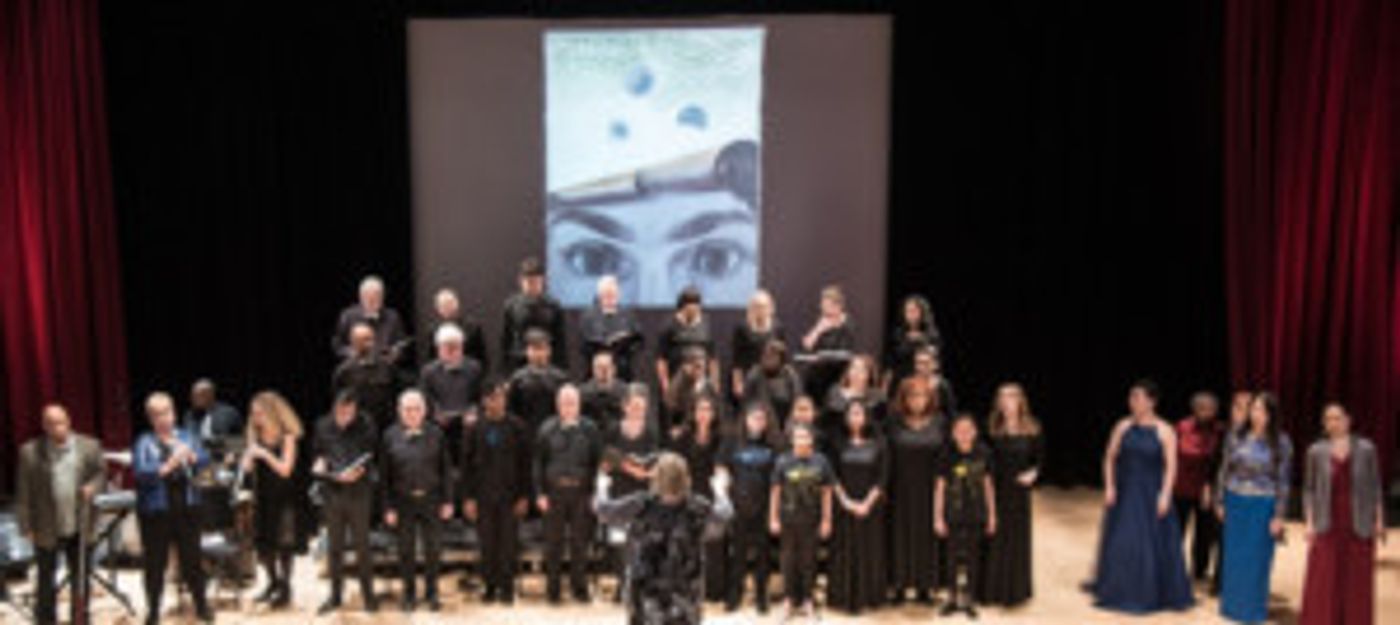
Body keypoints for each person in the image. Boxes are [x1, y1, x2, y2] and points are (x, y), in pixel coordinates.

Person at [594, 452, 735, 625]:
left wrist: (602, 487)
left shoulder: (642, 504)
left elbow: (603, 510)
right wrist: (720, 491)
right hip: (684, 594)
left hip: (646, 593)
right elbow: (725, 515)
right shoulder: (696, 507)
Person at [1091, 379, 1193, 614]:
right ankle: (1121, 589)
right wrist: (1110, 486)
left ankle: (1147, 591)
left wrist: (1165, 494)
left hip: (1151, 493)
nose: (1133, 402)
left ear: (1151, 401)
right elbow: (1109, 457)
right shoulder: (1122, 426)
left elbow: (1171, 466)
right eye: (1131, 397)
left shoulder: (1165, 430)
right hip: (1125, 491)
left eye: (1138, 397)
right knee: (1123, 542)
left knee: (1149, 544)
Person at [16, 404, 105, 625]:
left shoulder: (89, 446)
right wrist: (26, 526)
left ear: (69, 421)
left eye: (61, 422)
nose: (58, 428)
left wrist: (93, 487)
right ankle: (46, 620)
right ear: (44, 426)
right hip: (46, 524)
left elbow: (101, 473)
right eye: (52, 424)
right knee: (46, 578)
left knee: (80, 577)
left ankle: (80, 618)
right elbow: (24, 492)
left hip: (80, 522)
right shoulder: (30, 452)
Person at [1298, 402, 1386, 625]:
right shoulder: (1316, 451)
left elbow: (1375, 487)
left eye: (1337, 418)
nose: (1333, 423)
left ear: (1348, 420)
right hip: (1327, 523)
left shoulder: (1366, 449)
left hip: (1358, 524)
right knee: (1324, 578)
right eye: (1328, 419)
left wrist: (1379, 520)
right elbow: (1309, 490)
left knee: (1356, 581)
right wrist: (1309, 523)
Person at [132, 392, 213, 625]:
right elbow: (141, 472)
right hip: (156, 511)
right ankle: (153, 611)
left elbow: (204, 459)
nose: (163, 418)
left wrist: (192, 457)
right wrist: (169, 464)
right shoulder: (144, 441)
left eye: (166, 412)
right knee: (155, 563)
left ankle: (201, 605)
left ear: (174, 413)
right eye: (157, 415)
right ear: (150, 418)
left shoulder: (186, 436)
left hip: (187, 506)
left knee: (193, 560)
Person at [1215, 391, 1292, 623]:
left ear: (1271, 414)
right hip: (1235, 502)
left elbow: (1283, 481)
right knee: (1234, 557)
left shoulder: (1281, 442)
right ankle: (1232, 606)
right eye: (1254, 408)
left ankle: (1252, 609)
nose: (1256, 414)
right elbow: (1224, 470)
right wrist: (1220, 500)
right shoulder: (1236, 436)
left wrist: (1279, 515)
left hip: (1262, 505)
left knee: (1257, 558)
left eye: (1261, 410)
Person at [460, 377, 533, 604]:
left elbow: (525, 465)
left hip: (510, 495)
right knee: (487, 544)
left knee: (508, 544)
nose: (498, 402)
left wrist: (524, 496)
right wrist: (468, 498)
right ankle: (490, 587)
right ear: (485, 401)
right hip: (483, 496)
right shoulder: (474, 429)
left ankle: (507, 588)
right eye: (493, 398)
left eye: (501, 397)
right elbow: (466, 467)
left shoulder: (518, 427)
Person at [380, 389, 453, 612]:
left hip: (432, 499)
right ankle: (409, 594)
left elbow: (446, 470)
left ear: (424, 411)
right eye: (407, 409)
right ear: (399, 411)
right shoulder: (389, 435)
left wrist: (448, 501)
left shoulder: (437, 434)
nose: (412, 413)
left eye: (416, 409)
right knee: (406, 551)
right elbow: (384, 476)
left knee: (433, 550)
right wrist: (388, 507)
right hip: (403, 501)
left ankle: (432, 593)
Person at [534, 384, 604, 603]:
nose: (568, 407)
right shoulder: (546, 429)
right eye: (564, 403)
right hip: (554, 493)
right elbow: (538, 464)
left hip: (581, 493)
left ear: (579, 404)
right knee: (553, 544)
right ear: (557, 405)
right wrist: (540, 493)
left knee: (579, 543)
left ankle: (579, 588)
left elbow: (598, 463)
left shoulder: (590, 429)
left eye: (572, 402)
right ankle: (553, 590)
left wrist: (596, 493)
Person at [312, 390, 378, 614]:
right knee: (335, 547)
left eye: (348, 413)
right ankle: (335, 596)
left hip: (359, 492)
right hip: (332, 491)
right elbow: (318, 453)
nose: (343, 417)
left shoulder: (366, 425)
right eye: (340, 412)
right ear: (334, 408)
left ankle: (369, 596)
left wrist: (356, 472)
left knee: (362, 546)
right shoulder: (323, 425)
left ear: (355, 411)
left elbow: (370, 456)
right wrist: (320, 465)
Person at [240, 390, 305, 609]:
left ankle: (286, 588)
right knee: (265, 545)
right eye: (253, 414)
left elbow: (286, 470)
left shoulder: (287, 436)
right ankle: (272, 582)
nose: (256, 418)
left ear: (272, 414)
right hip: (263, 497)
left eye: (260, 414)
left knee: (284, 543)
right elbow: (247, 469)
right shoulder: (255, 436)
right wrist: (247, 459)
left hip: (284, 496)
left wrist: (265, 454)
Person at [885, 375, 947, 605]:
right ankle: (899, 585)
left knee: (926, 536)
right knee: (899, 536)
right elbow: (885, 454)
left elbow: (945, 455)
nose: (917, 400)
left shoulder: (939, 421)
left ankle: (925, 586)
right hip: (900, 489)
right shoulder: (893, 421)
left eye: (922, 396)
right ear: (904, 398)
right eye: (912, 396)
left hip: (930, 488)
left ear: (930, 398)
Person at [983, 382, 1044, 607]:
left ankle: (1016, 590)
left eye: (1011, 398)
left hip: (1019, 492)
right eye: (1002, 399)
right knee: (995, 536)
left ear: (1020, 401)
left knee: (1017, 539)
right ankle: (993, 589)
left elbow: (1038, 460)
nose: (1007, 403)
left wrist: (1033, 474)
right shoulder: (992, 428)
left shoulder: (1032, 428)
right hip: (997, 489)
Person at [717, 402, 781, 613]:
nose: (757, 422)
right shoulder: (732, 442)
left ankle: (762, 596)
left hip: (763, 506)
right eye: (754, 418)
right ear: (745, 419)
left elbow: (777, 480)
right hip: (738, 506)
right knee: (738, 553)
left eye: (762, 419)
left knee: (763, 554)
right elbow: (721, 467)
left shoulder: (772, 445)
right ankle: (735, 595)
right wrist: (724, 495)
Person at [828, 401, 889, 614]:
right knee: (844, 550)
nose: (855, 417)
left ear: (866, 417)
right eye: (852, 413)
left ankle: (869, 597)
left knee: (869, 550)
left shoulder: (879, 444)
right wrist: (845, 501)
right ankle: (842, 597)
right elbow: (832, 476)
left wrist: (867, 503)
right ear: (846, 417)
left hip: (870, 507)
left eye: (859, 413)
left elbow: (882, 477)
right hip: (843, 506)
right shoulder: (837, 443)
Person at [769, 423, 833, 621]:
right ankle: (788, 601)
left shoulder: (821, 461)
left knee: (809, 561)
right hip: (788, 520)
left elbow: (827, 492)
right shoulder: (783, 461)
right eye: (798, 437)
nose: (802, 440)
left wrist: (827, 520)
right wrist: (773, 518)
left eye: (805, 436)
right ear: (792, 440)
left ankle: (808, 601)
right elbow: (775, 491)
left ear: (811, 439)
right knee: (788, 561)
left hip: (812, 520)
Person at [935, 413, 996, 617]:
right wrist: (938, 517)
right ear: (953, 434)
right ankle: (952, 597)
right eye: (959, 430)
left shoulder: (983, 453)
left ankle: (969, 598)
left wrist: (992, 515)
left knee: (972, 557)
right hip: (952, 514)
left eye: (968, 430)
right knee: (951, 558)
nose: (964, 434)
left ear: (975, 432)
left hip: (976, 514)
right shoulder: (947, 455)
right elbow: (939, 487)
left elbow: (988, 485)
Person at [601, 385, 659, 601]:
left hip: (642, 494)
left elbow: (655, 460)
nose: (638, 411)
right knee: (619, 541)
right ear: (625, 407)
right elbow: (607, 458)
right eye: (634, 406)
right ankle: (623, 584)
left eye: (641, 407)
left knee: (640, 542)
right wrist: (630, 468)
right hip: (619, 493)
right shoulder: (613, 430)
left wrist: (645, 471)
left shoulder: (651, 432)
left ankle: (637, 586)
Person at [667, 392, 726, 601]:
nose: (704, 414)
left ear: (714, 413)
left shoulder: (721, 438)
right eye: (700, 409)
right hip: (689, 493)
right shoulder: (682, 437)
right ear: (693, 412)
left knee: (714, 543)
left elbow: (724, 466)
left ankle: (714, 591)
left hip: (712, 493)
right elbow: (676, 467)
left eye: (708, 409)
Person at [1174, 391, 1223, 582]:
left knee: (1204, 533)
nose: (1207, 412)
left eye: (1211, 409)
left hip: (1206, 490)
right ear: (1194, 409)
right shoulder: (1182, 427)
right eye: (1203, 408)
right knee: (1176, 530)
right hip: (1181, 487)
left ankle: (1199, 571)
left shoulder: (1220, 431)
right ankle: (1172, 568)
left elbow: (1219, 463)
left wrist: (1209, 486)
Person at [419, 322, 484, 452]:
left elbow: (479, 396)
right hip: (439, 427)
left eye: (455, 347)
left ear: (462, 347)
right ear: (438, 349)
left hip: (467, 426)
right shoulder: (428, 372)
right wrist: (436, 413)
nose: (451, 352)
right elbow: (426, 398)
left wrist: (473, 412)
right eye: (447, 348)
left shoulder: (474, 368)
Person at [331, 322, 401, 429]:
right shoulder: (344, 372)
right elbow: (340, 401)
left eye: (370, 339)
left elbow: (397, 392)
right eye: (363, 340)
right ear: (353, 342)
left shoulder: (387, 367)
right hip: (358, 427)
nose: (369, 344)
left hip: (385, 423)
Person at [502, 257, 567, 371]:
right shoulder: (511, 305)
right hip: (519, 361)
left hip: (548, 363)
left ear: (543, 281)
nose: (532, 286)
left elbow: (560, 340)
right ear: (521, 281)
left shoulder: (553, 306)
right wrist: (504, 370)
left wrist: (562, 368)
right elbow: (506, 339)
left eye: (536, 282)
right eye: (528, 282)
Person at [655, 287, 718, 399]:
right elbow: (661, 360)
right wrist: (665, 384)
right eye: (690, 306)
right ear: (682, 307)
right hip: (676, 381)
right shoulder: (670, 326)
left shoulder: (706, 325)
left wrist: (715, 382)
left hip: (700, 382)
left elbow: (713, 358)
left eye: (696, 305)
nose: (694, 309)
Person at [578, 275, 643, 380]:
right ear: (600, 295)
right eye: (607, 295)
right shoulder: (589, 317)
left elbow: (638, 340)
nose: (610, 298)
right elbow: (583, 342)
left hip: (622, 369)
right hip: (595, 370)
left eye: (613, 295)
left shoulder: (628, 316)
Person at [332, 275, 409, 362]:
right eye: (367, 297)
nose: (371, 301)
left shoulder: (393, 317)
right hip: (356, 366)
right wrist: (351, 353)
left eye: (375, 297)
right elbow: (338, 346)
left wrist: (394, 354)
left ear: (382, 297)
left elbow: (401, 344)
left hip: (385, 367)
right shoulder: (348, 316)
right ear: (360, 297)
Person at [799, 285, 857, 399]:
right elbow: (807, 346)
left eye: (826, 305)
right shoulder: (822, 321)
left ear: (838, 306)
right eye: (823, 305)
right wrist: (818, 330)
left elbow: (845, 352)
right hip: (818, 373)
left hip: (837, 374)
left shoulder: (847, 324)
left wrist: (824, 356)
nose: (822, 308)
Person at [508, 329, 571, 433]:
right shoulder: (518, 379)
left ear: (549, 351)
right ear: (527, 352)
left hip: (554, 432)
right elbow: (512, 410)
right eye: (534, 349)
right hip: (526, 430)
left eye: (541, 349)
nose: (538, 354)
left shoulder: (560, 379)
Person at [730, 289, 785, 401]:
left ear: (771, 308)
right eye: (757, 306)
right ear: (751, 308)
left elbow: (783, 357)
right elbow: (736, 360)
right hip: (749, 378)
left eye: (763, 306)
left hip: (771, 380)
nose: (760, 310)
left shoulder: (778, 328)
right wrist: (738, 383)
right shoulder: (742, 328)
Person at [740, 339, 803, 431]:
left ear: (782, 360)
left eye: (773, 356)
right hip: (760, 423)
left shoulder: (790, 375)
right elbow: (746, 404)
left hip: (786, 422)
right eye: (765, 356)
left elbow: (797, 402)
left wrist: (790, 425)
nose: (767, 360)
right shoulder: (754, 375)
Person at [821, 354, 884, 444]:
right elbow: (825, 421)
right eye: (853, 368)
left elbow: (880, 426)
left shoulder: (877, 397)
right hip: (836, 442)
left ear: (869, 375)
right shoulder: (834, 393)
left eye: (861, 370)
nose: (856, 373)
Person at [883, 294, 941, 391]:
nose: (910, 315)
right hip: (900, 379)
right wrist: (885, 384)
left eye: (914, 311)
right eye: (907, 311)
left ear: (922, 312)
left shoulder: (931, 335)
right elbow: (890, 362)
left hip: (922, 380)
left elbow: (936, 361)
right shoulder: (898, 334)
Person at [419, 287, 488, 369]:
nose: (446, 307)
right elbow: (430, 359)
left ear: (457, 304)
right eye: (442, 305)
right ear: (437, 309)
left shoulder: (473, 327)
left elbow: (481, 357)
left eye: (449, 303)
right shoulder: (433, 331)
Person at [662, 347, 720, 437]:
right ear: (685, 366)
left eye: (700, 366)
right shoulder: (677, 385)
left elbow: (713, 415)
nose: (697, 370)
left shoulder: (708, 387)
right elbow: (670, 408)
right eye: (694, 365)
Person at [181, 378, 243, 452]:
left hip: (222, 455)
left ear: (211, 395)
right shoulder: (189, 416)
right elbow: (187, 439)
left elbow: (239, 442)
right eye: (193, 395)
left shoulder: (229, 414)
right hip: (196, 455)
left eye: (200, 395)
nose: (194, 399)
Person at [580, 351, 628, 431]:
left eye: (607, 367)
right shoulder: (583, 393)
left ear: (614, 369)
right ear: (593, 370)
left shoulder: (625, 392)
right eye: (599, 367)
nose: (603, 371)